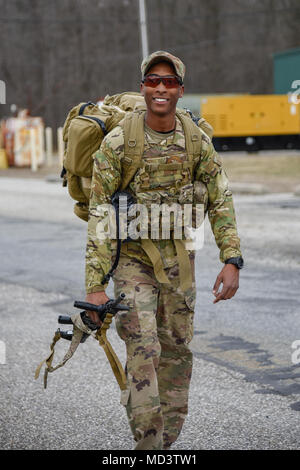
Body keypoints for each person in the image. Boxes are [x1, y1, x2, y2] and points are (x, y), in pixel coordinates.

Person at [84, 51, 243, 450]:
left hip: (180, 260)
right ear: (143, 87)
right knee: (143, 347)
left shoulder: (195, 140)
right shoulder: (120, 142)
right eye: (153, 80)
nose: (160, 87)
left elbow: (221, 199)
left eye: (169, 82)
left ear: (180, 91)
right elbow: (101, 215)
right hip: (133, 259)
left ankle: (164, 445)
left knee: (175, 351)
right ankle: (148, 447)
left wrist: (231, 259)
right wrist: (94, 287)